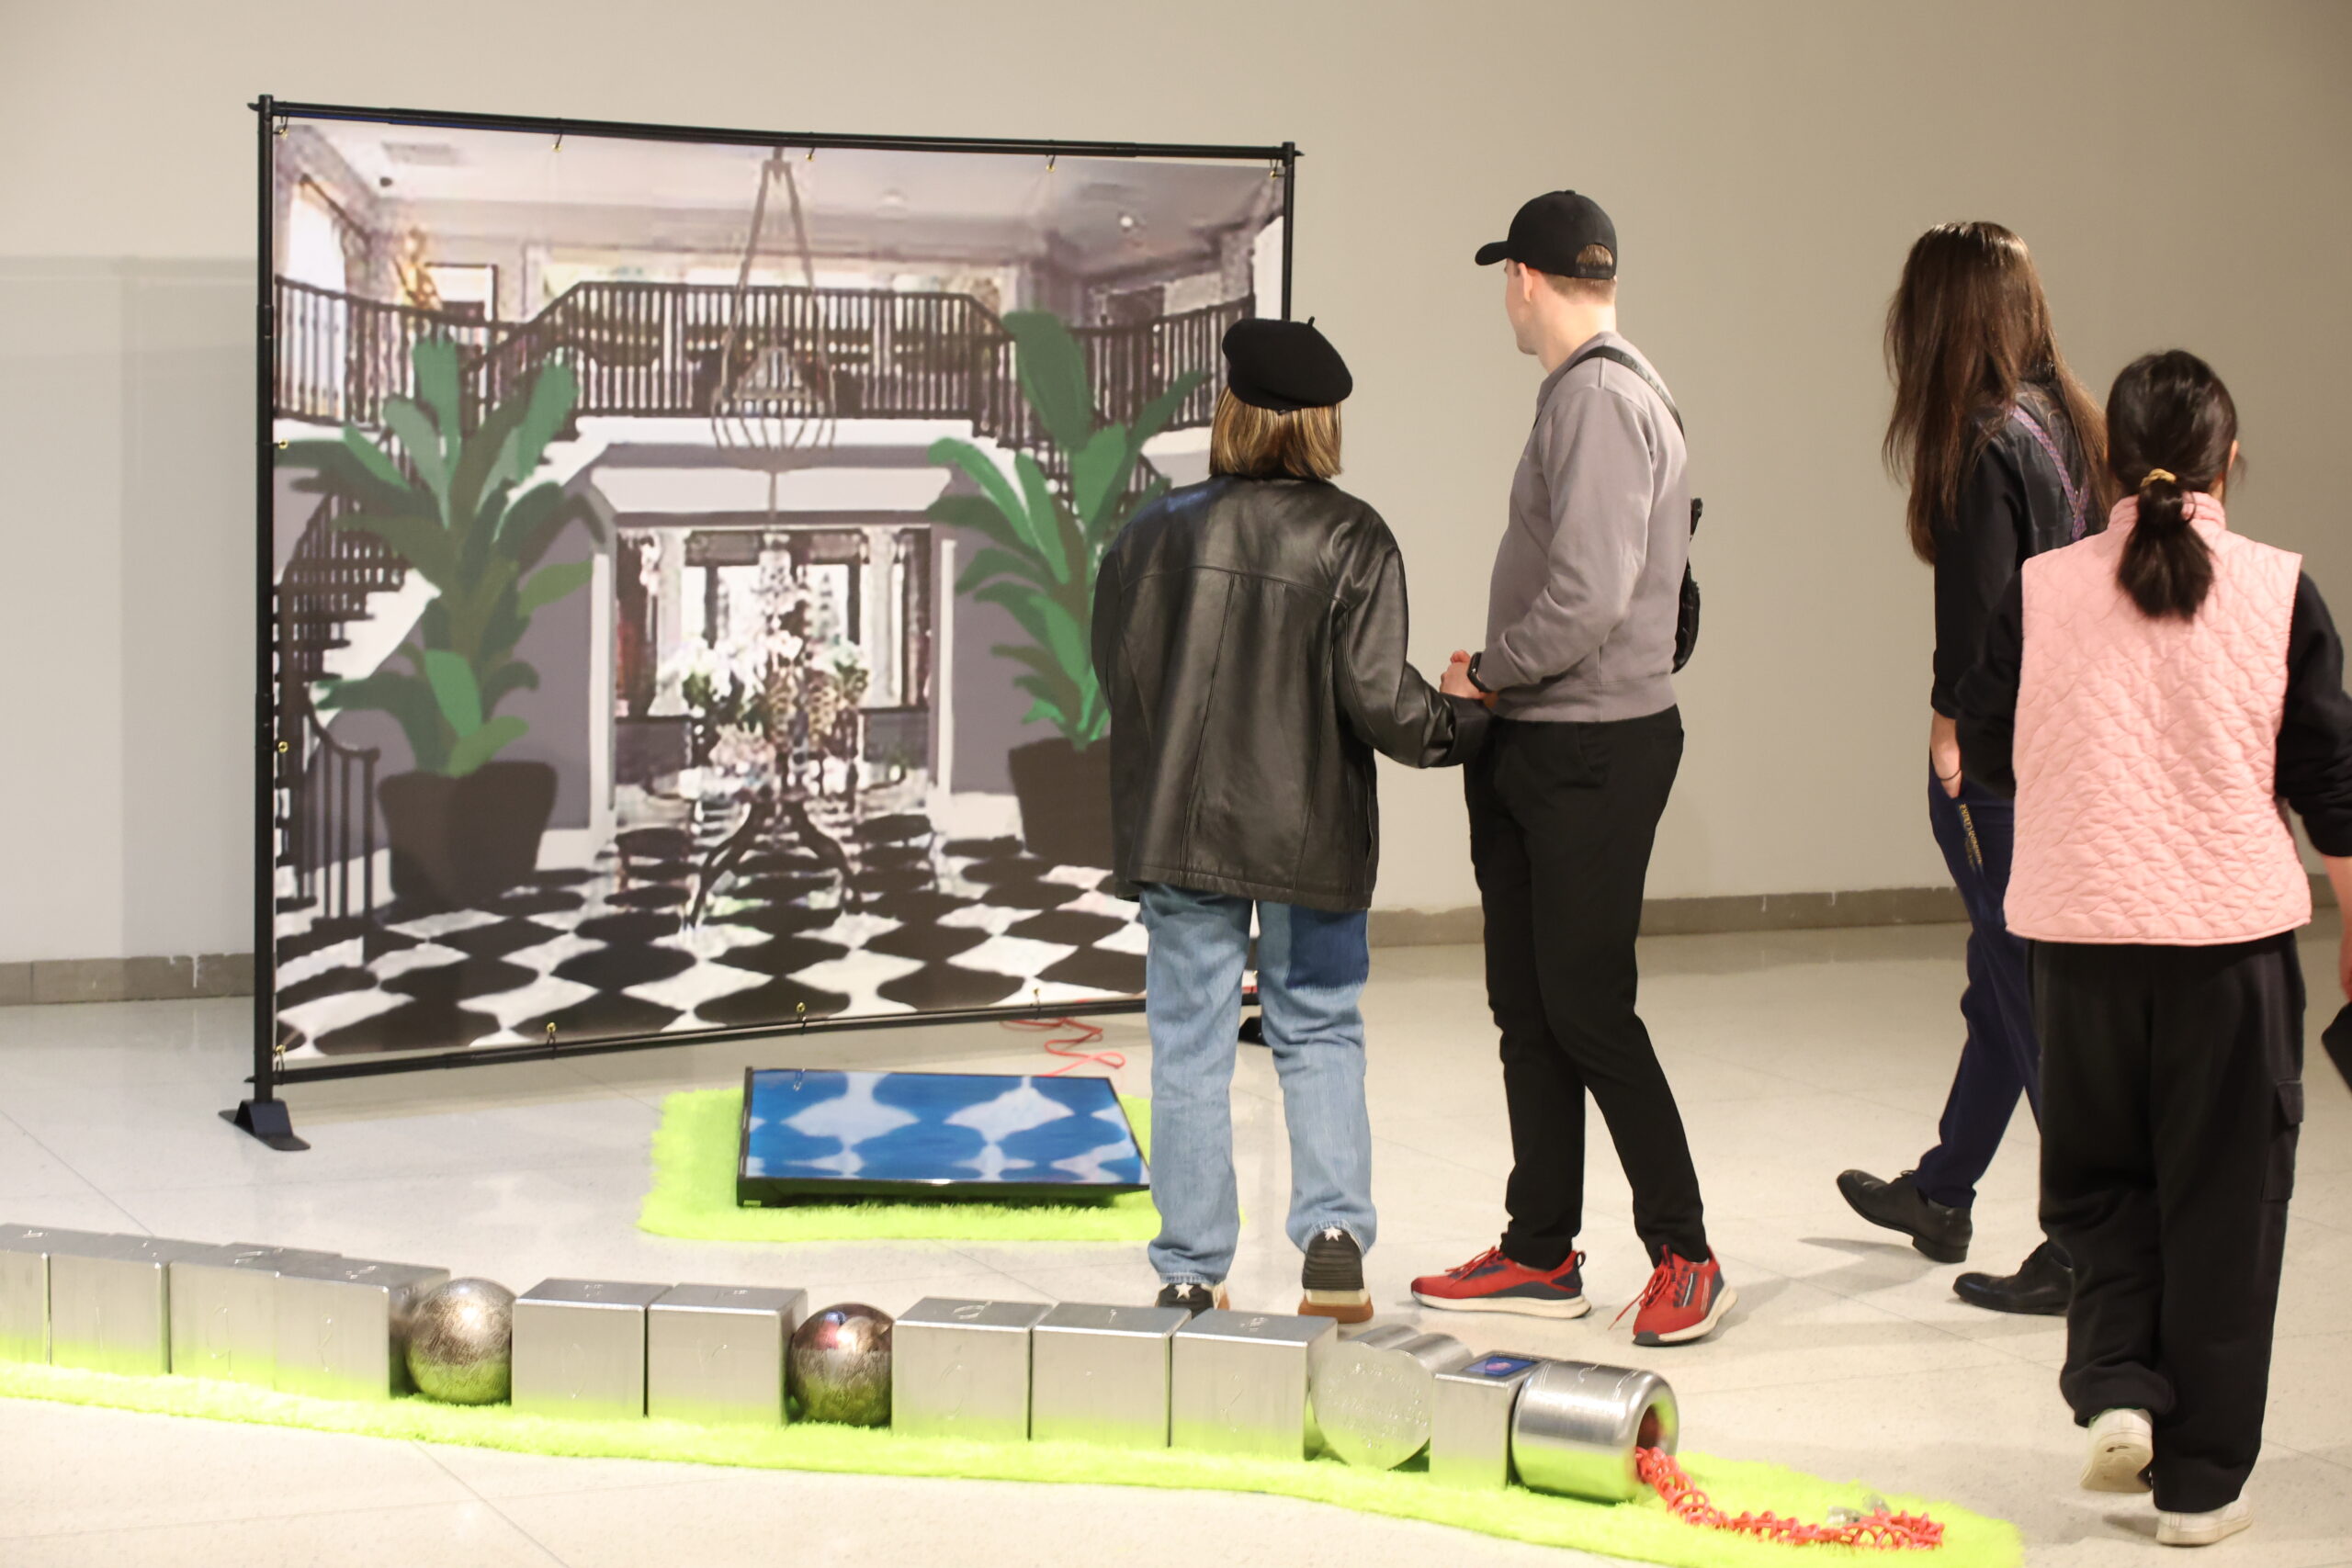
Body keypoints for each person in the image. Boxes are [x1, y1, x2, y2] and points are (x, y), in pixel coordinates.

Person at [1957, 350, 2352, 1548]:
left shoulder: (2039, 589)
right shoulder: (2279, 588)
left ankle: (2119, 1379)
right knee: (2227, 1207)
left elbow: (1988, 749)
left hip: (2079, 945)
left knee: (2098, 1183)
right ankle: (2200, 1486)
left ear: (2110, 464)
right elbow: (2333, 787)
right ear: (2230, 462)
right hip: (2228, 953)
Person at [1092, 316, 1488, 1322]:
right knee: (1318, 1027)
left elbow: (1119, 676)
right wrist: (1468, 723)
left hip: (1181, 831)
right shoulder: (1353, 537)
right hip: (1312, 833)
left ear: (1230, 409)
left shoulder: (1149, 534)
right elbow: (1381, 701)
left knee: (1189, 1044)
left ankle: (1190, 1271)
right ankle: (1333, 1239)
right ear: (1322, 423)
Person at [1408, 191, 1731, 1346]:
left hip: (1585, 744)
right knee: (1530, 1009)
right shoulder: (1610, 388)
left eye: (1506, 279)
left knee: (1585, 1008)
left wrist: (1489, 673)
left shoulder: (1596, 397)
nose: (1506, 297)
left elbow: (1589, 595)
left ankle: (1685, 1253)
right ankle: (1540, 1249)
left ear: (1525, 280)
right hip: (1550, 737)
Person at [1836, 221, 2111, 1315]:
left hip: (1999, 756)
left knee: (2022, 982)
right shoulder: (2068, 425)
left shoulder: (1980, 441)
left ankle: (2088, 1240)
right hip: (2070, 743)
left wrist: (1947, 725)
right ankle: (1943, 1190)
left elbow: (1985, 617)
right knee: (2004, 974)